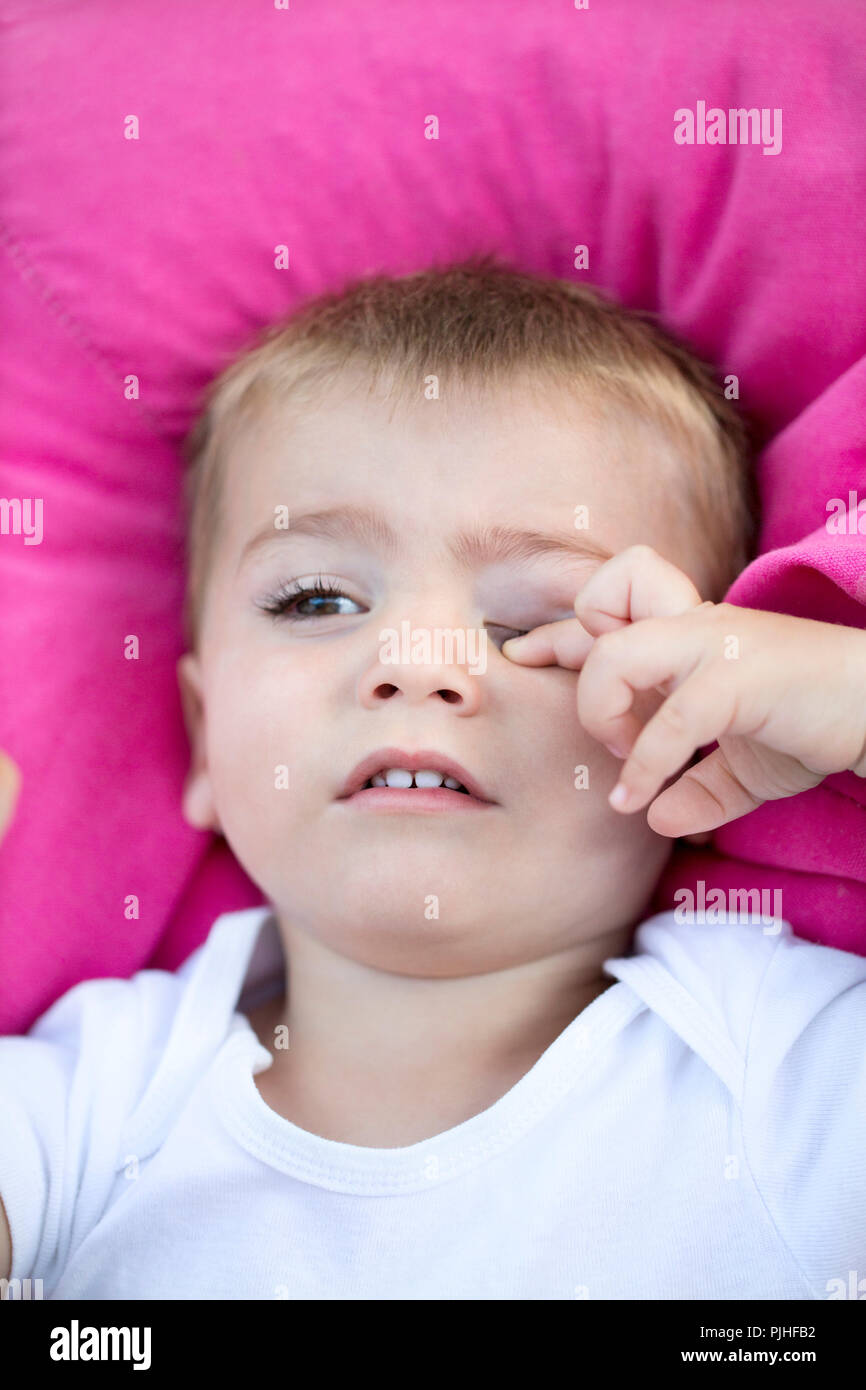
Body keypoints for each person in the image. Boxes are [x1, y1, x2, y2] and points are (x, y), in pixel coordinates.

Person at [1, 259, 865, 1299]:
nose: (415, 661)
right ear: (202, 735)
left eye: (537, 624)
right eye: (316, 600)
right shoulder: (90, 1099)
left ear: (694, 732)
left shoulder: (780, 1063)